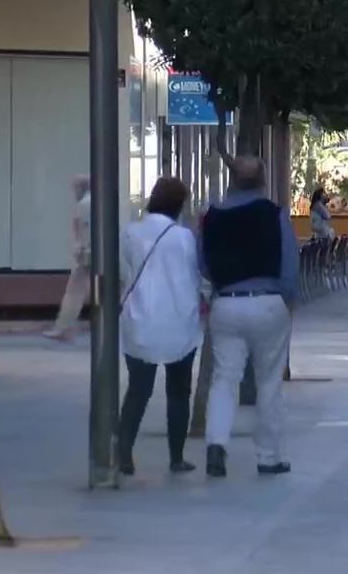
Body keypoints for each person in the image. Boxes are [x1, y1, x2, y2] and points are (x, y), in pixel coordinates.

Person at [201, 156, 299, 478]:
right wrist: (287, 299)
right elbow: (289, 263)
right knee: (269, 382)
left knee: (223, 379)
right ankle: (269, 457)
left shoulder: (211, 217)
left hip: (226, 303)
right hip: (268, 303)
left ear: (232, 180)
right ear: (263, 180)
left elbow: (202, 263)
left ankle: (216, 444)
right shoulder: (275, 214)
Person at [116, 177, 203, 476]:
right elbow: (195, 275)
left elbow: (124, 272)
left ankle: (123, 452)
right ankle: (176, 457)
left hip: (139, 319)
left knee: (138, 389)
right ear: (179, 205)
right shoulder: (184, 238)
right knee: (179, 391)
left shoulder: (131, 233)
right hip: (179, 321)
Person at [45, 175, 92, 342]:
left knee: (74, 292)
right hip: (99, 253)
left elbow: (80, 231)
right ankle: (63, 327)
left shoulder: (83, 206)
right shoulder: (98, 203)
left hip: (87, 255)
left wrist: (79, 250)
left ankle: (63, 327)